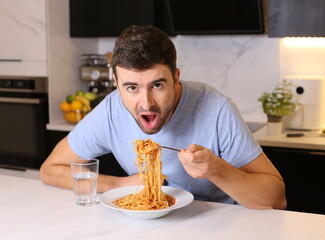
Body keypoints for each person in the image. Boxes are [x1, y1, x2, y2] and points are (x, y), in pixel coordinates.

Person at [40, 25, 286, 209]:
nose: (146, 104)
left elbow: (276, 199)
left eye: (157, 85)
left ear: (176, 77)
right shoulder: (111, 110)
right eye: (132, 88)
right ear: (116, 83)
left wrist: (217, 170)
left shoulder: (216, 109)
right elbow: (50, 170)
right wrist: (118, 185)